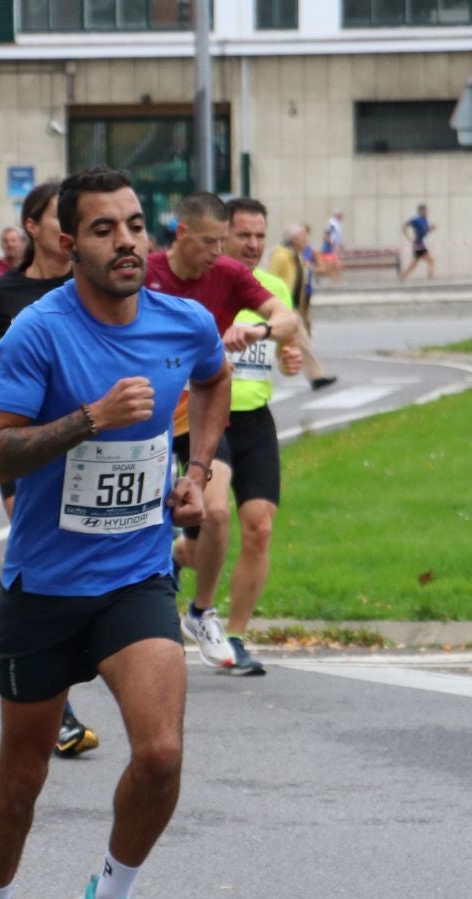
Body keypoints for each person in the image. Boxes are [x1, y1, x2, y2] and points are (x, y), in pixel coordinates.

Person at [0, 165, 229, 899]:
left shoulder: (181, 321)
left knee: (161, 754)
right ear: (68, 242)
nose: (128, 242)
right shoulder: (40, 334)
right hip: (43, 586)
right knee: (22, 777)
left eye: (136, 225)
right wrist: (89, 420)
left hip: (136, 572)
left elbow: (215, 377)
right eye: (106, 229)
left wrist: (198, 471)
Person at [0, 181, 102, 758]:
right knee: (40, 562)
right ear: (34, 227)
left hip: (94, 444)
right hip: (27, 449)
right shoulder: (2, 292)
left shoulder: (92, 288)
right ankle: (55, 707)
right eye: (62, 216)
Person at [143, 190, 296, 672]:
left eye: (250, 238)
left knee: (239, 519)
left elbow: (287, 320)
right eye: (216, 240)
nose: (224, 250)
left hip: (217, 412)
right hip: (154, 411)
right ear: (183, 233)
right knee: (187, 515)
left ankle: (209, 616)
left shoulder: (233, 277)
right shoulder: (147, 272)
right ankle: (153, 580)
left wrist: (262, 334)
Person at [212, 196, 306, 677]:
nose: (252, 245)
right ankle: (175, 561)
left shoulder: (271, 289)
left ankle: (234, 637)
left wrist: (290, 358)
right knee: (211, 520)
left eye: (259, 236)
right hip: (209, 418)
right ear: (223, 236)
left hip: (255, 419)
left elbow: (290, 344)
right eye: (242, 235)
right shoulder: (206, 287)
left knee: (259, 527)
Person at [269, 223, 335, 390]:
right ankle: (317, 377)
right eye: (303, 237)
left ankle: (316, 376)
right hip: (284, 306)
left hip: (294, 306)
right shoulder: (281, 255)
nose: (306, 240)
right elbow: (271, 279)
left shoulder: (295, 255)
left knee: (299, 341)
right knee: (300, 341)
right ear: (294, 239)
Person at [400, 203, 435, 281]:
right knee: (429, 261)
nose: (427, 212)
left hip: (421, 243)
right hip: (418, 244)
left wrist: (431, 229)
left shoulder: (424, 219)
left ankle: (403, 275)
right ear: (421, 211)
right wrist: (408, 237)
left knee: (419, 263)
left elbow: (424, 232)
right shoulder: (416, 219)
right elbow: (404, 226)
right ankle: (430, 278)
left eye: (427, 210)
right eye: (425, 210)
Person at [317, 210, 344, 280]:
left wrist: (340, 245)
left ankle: (337, 282)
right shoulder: (332, 224)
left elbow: (335, 237)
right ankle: (317, 275)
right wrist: (332, 244)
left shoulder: (336, 224)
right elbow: (325, 235)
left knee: (337, 266)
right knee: (329, 269)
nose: (342, 218)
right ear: (337, 216)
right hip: (328, 249)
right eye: (340, 216)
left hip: (333, 249)